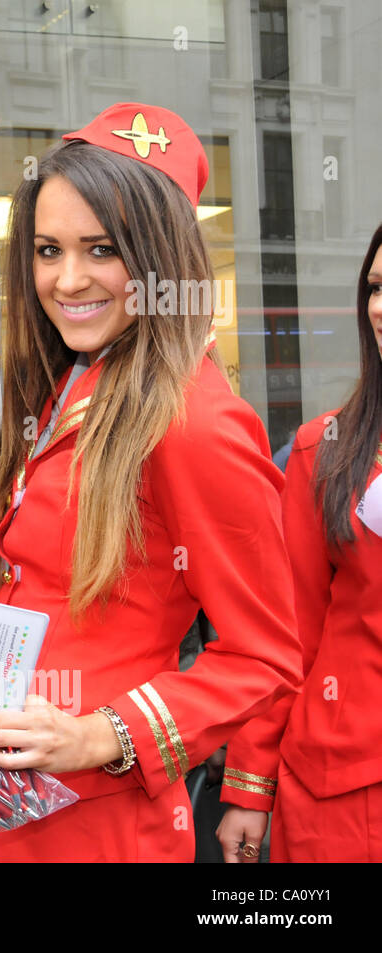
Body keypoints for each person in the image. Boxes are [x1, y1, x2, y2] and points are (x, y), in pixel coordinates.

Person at [0, 103, 302, 861]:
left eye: (103, 250)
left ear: (159, 259)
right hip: (5, 801)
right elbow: (84, 598)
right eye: (49, 250)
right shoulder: (76, 382)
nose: (68, 279)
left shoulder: (194, 420)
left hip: (99, 822)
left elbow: (263, 654)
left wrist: (96, 735)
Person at [216, 223, 382, 863]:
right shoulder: (326, 452)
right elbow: (287, 637)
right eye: (375, 286)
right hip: (339, 795)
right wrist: (250, 788)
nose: (380, 307)